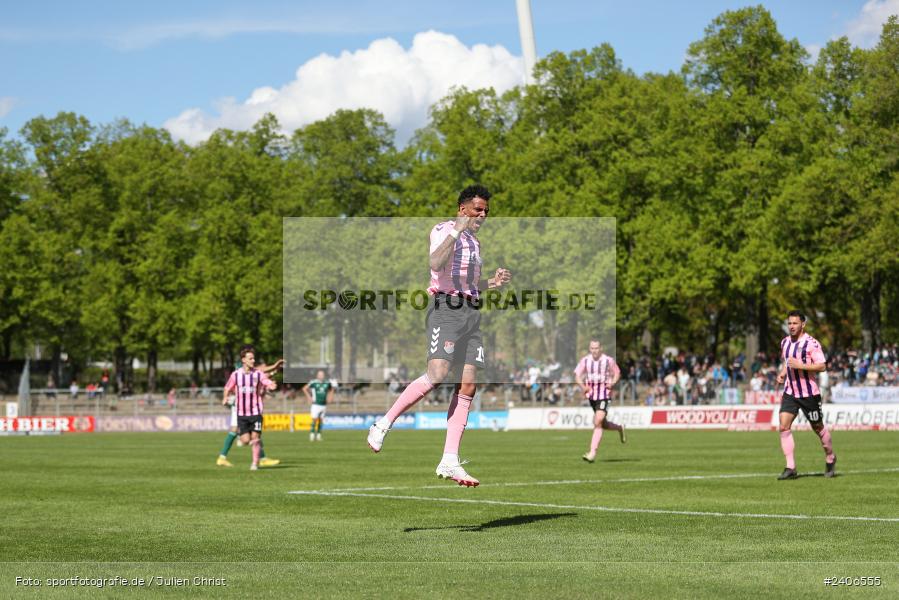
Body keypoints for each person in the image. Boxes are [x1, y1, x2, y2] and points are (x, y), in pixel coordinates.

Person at [366, 184, 512, 487]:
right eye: (478, 209)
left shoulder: (476, 243)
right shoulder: (444, 229)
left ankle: (450, 460)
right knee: (437, 374)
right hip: (446, 308)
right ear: (462, 209)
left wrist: (491, 283)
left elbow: (470, 284)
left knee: (468, 386)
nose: (483, 214)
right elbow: (435, 263)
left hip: (471, 311)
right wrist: (456, 231)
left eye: (486, 210)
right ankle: (383, 423)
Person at [776, 310, 836, 480]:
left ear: (803, 324)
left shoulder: (812, 344)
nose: (791, 326)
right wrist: (783, 373)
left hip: (809, 394)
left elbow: (822, 366)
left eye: (795, 323)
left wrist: (800, 365)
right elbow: (787, 363)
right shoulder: (785, 342)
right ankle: (790, 467)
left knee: (818, 428)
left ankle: (830, 457)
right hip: (790, 392)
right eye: (789, 323)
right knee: (783, 425)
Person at [216, 350, 283, 468]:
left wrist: (270, 384)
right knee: (245, 440)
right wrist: (225, 397)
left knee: (256, 437)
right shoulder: (236, 375)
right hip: (241, 413)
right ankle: (258, 455)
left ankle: (255, 463)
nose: (253, 361)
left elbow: (265, 380)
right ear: (243, 360)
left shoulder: (258, 373)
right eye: (251, 358)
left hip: (256, 412)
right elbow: (227, 387)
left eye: (254, 358)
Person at [575, 340, 626, 463]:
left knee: (597, 421)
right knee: (603, 424)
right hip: (592, 396)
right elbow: (577, 375)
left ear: (601, 348)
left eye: (596, 348)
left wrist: (612, 383)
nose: (594, 350)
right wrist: (583, 387)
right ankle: (620, 427)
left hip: (604, 395)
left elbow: (617, 373)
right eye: (592, 348)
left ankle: (592, 453)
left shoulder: (608, 360)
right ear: (589, 349)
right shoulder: (585, 360)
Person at [303, 369, 333, 441]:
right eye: (320, 374)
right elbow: (304, 388)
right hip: (315, 404)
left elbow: (331, 389)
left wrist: (330, 398)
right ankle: (312, 434)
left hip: (323, 404)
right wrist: (309, 397)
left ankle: (319, 435)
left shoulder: (327, 383)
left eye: (322, 374)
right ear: (317, 375)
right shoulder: (313, 382)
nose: (321, 376)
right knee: (314, 420)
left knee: (321, 420)